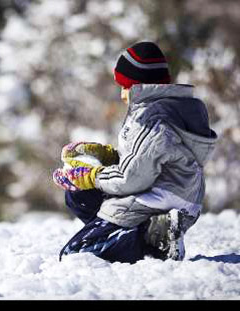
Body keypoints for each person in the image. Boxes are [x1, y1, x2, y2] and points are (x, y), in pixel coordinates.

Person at [53, 41, 218, 263]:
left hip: (159, 198)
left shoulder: (152, 119)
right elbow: (146, 161)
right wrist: (108, 156)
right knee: (78, 195)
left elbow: (131, 179)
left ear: (139, 85)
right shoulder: (164, 107)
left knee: (77, 255)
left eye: (125, 86)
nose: (122, 95)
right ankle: (141, 231)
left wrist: (92, 176)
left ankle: (153, 237)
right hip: (170, 192)